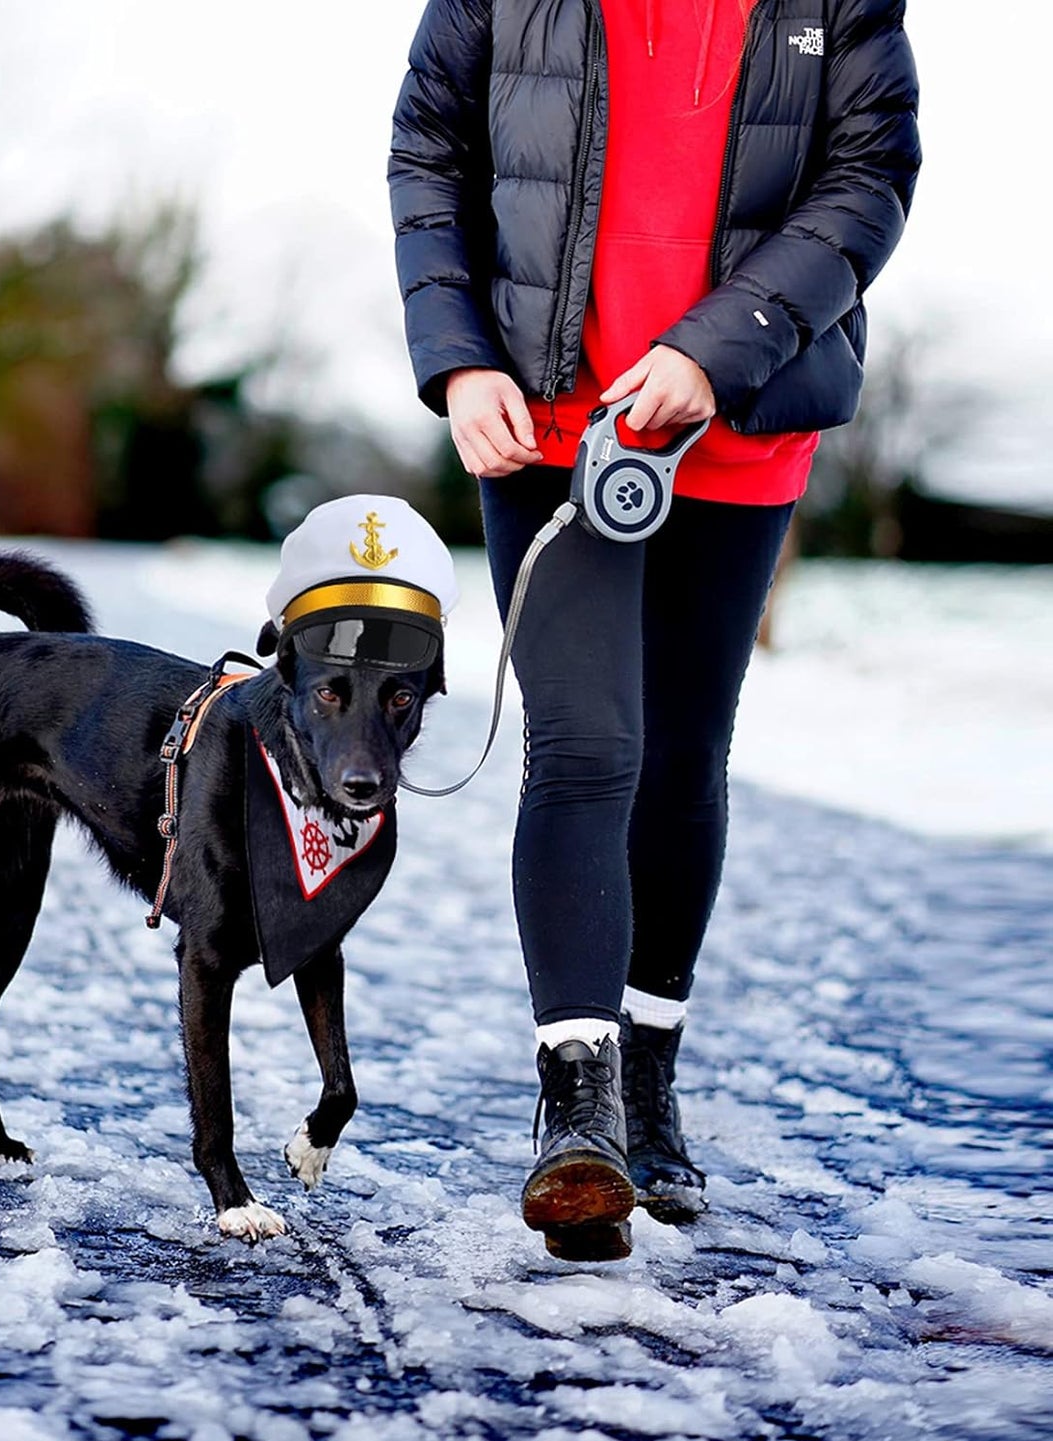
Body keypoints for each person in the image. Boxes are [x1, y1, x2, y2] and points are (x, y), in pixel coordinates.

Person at [388, 0, 919, 1259]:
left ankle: (648, 1077)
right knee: (583, 748)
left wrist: (714, 349)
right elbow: (428, 153)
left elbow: (868, 175)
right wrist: (459, 360)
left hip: (735, 423)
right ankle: (577, 1110)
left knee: (681, 756)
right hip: (545, 421)